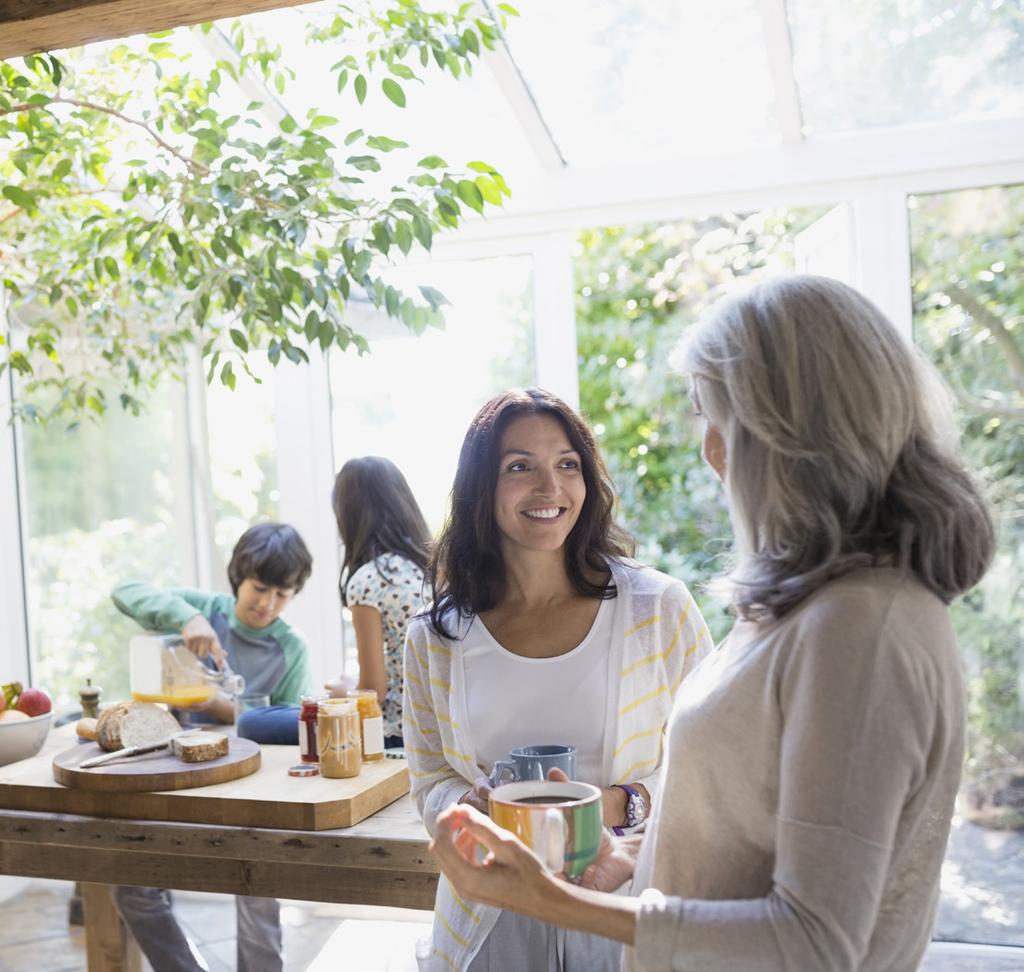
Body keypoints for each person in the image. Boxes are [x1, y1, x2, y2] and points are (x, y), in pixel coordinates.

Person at [429, 275, 996, 972]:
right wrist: (629, 858)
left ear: (788, 432)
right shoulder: (813, 607)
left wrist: (560, 905)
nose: (711, 453)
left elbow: (814, 941)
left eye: (715, 417)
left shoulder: (864, 629)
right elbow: (743, 838)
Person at [404, 388, 714, 971]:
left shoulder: (658, 609)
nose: (550, 488)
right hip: (488, 915)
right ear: (481, 489)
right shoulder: (435, 637)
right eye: (519, 467)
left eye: (566, 464)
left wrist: (625, 805)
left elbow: (721, 766)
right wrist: (467, 805)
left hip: (623, 905)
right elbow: (430, 779)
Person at [110, 521, 314, 972]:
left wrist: (221, 706)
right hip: (172, 785)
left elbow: (288, 727)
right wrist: (187, 618)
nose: (267, 604)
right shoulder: (203, 611)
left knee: (256, 886)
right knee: (131, 887)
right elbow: (125, 591)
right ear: (237, 576)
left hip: (248, 794)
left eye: (283, 595)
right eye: (260, 588)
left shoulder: (290, 647)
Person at [330, 456, 431, 748]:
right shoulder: (433, 570)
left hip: (396, 735)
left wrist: (344, 692)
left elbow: (375, 691)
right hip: (442, 727)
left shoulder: (368, 581)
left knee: (259, 721)